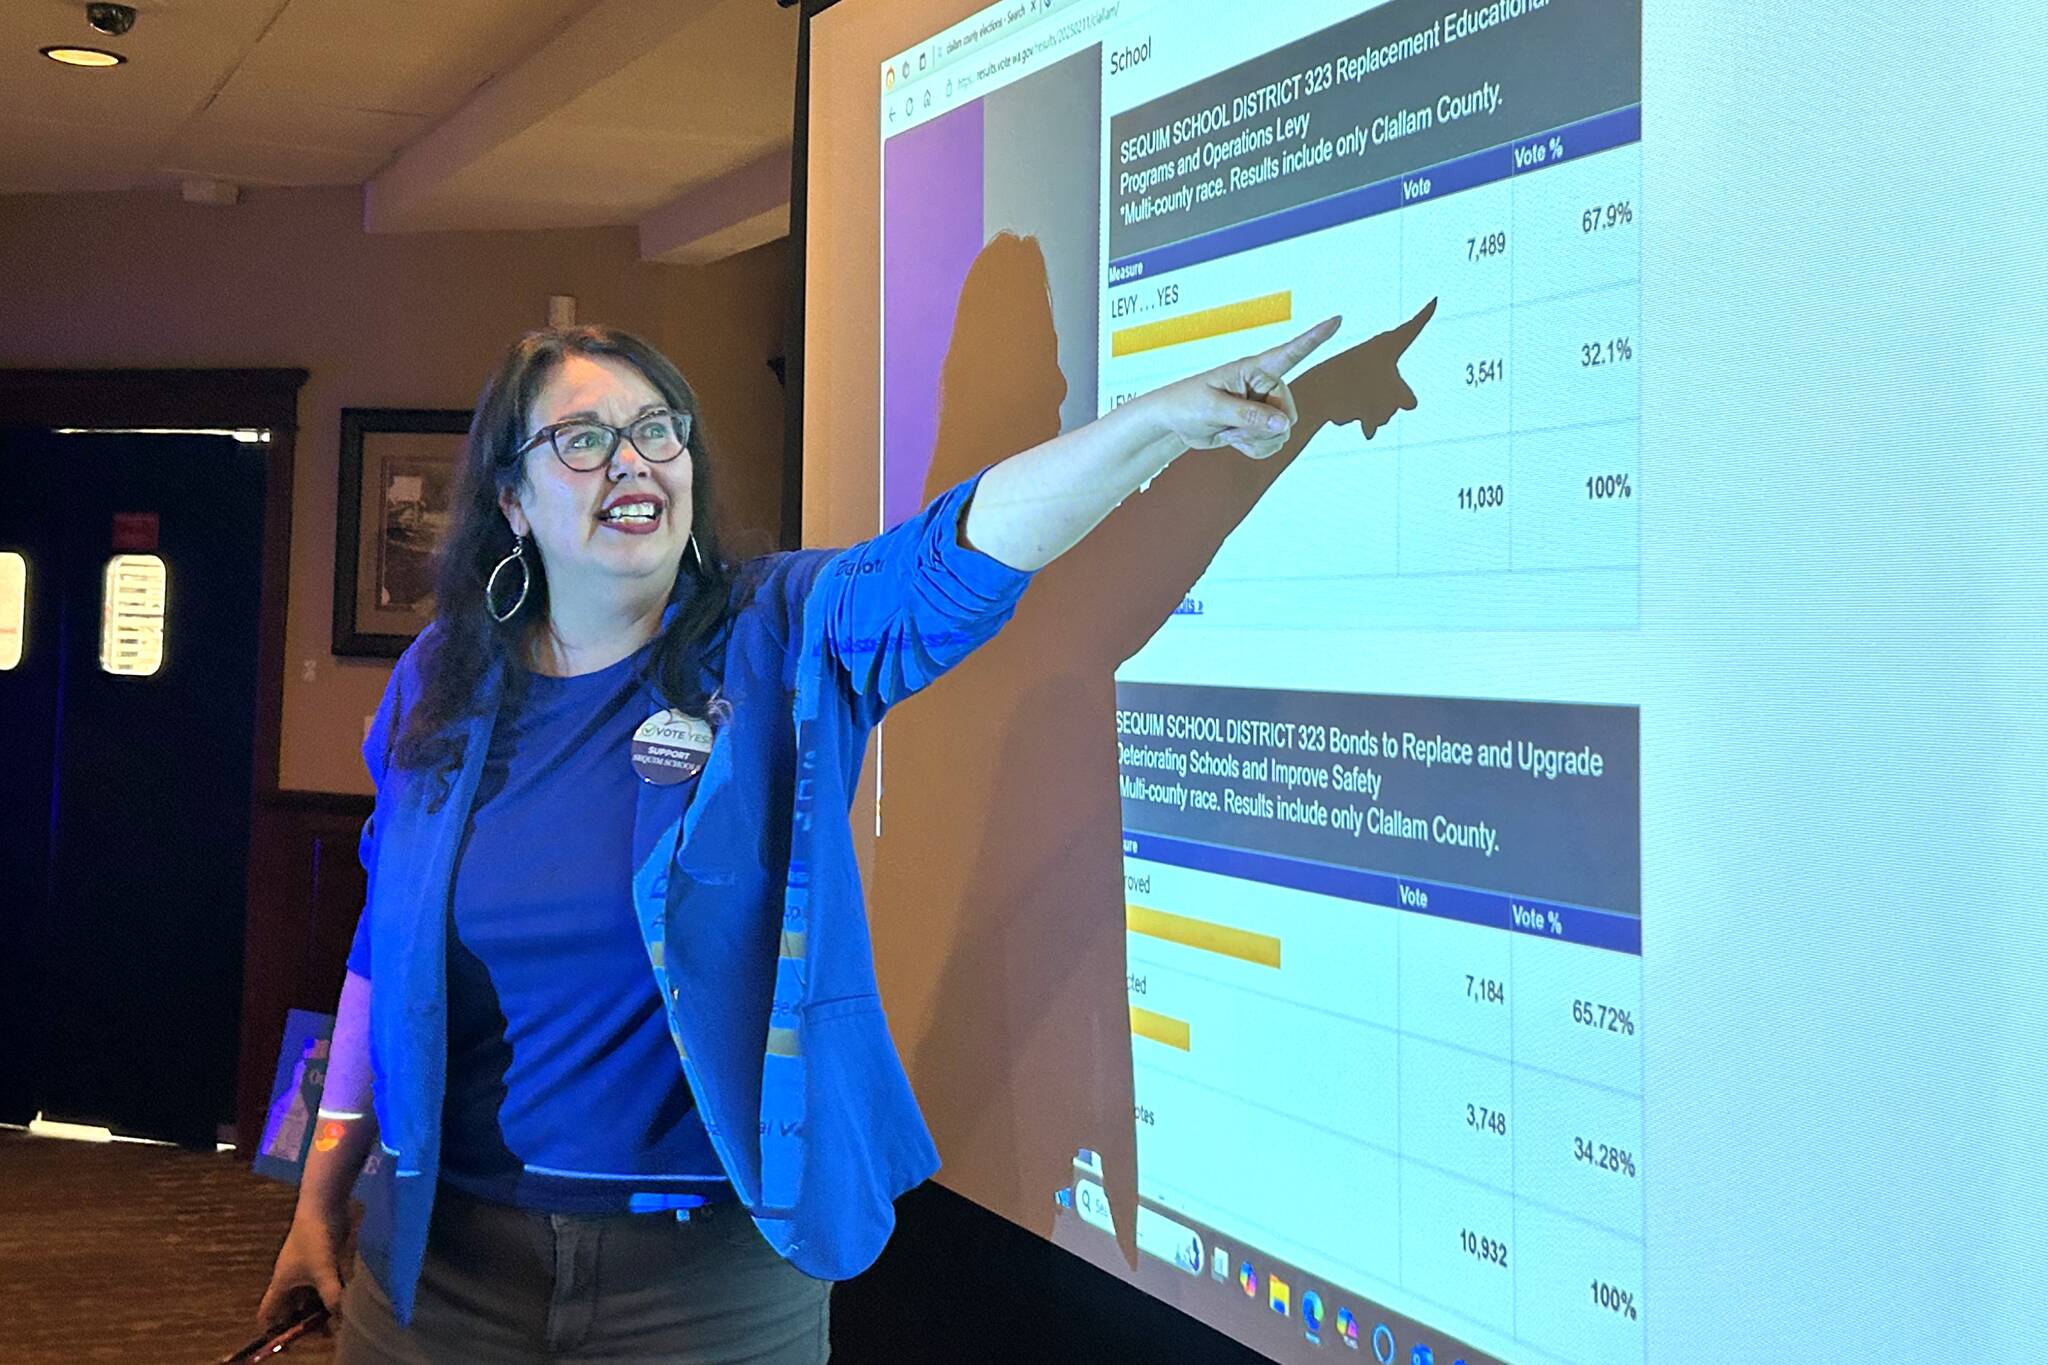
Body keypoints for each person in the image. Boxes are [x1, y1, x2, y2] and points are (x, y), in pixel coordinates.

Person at [256, 311, 1373, 1362]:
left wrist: (1153, 424)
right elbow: (381, 949)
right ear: (511, 498)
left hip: (709, 1282)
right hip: (444, 1264)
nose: (633, 461)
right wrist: (321, 1193)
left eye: (656, 430)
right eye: (583, 438)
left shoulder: (778, 633)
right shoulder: (437, 685)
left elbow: (956, 553)